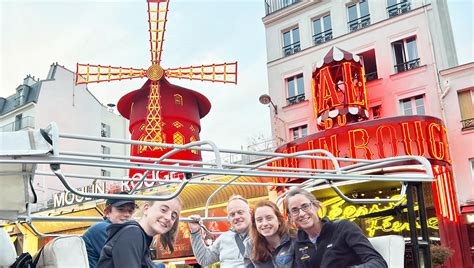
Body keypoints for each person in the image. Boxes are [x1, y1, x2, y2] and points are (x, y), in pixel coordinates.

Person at [285, 188, 387, 268]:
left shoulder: (343, 227)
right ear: (290, 216)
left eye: (305, 206)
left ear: (316, 206)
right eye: (294, 210)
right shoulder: (299, 242)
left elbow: (379, 263)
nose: (301, 213)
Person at [97, 193, 182, 268]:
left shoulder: (139, 236)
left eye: (173, 216)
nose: (168, 218)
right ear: (146, 208)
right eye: (163, 210)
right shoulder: (132, 234)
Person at [188, 194, 251, 268]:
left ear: (250, 213)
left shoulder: (261, 236)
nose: (236, 217)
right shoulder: (223, 238)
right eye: (232, 214)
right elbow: (204, 259)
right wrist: (195, 232)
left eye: (240, 212)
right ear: (228, 218)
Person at [83, 191, 137, 268]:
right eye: (121, 209)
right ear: (107, 212)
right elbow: (126, 261)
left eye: (130, 211)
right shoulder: (103, 228)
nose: (127, 214)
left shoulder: (120, 231)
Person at [244, 200, 294, 268]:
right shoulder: (250, 246)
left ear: (279, 220)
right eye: (259, 220)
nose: (264, 223)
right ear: (255, 224)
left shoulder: (294, 238)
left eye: (269, 218)